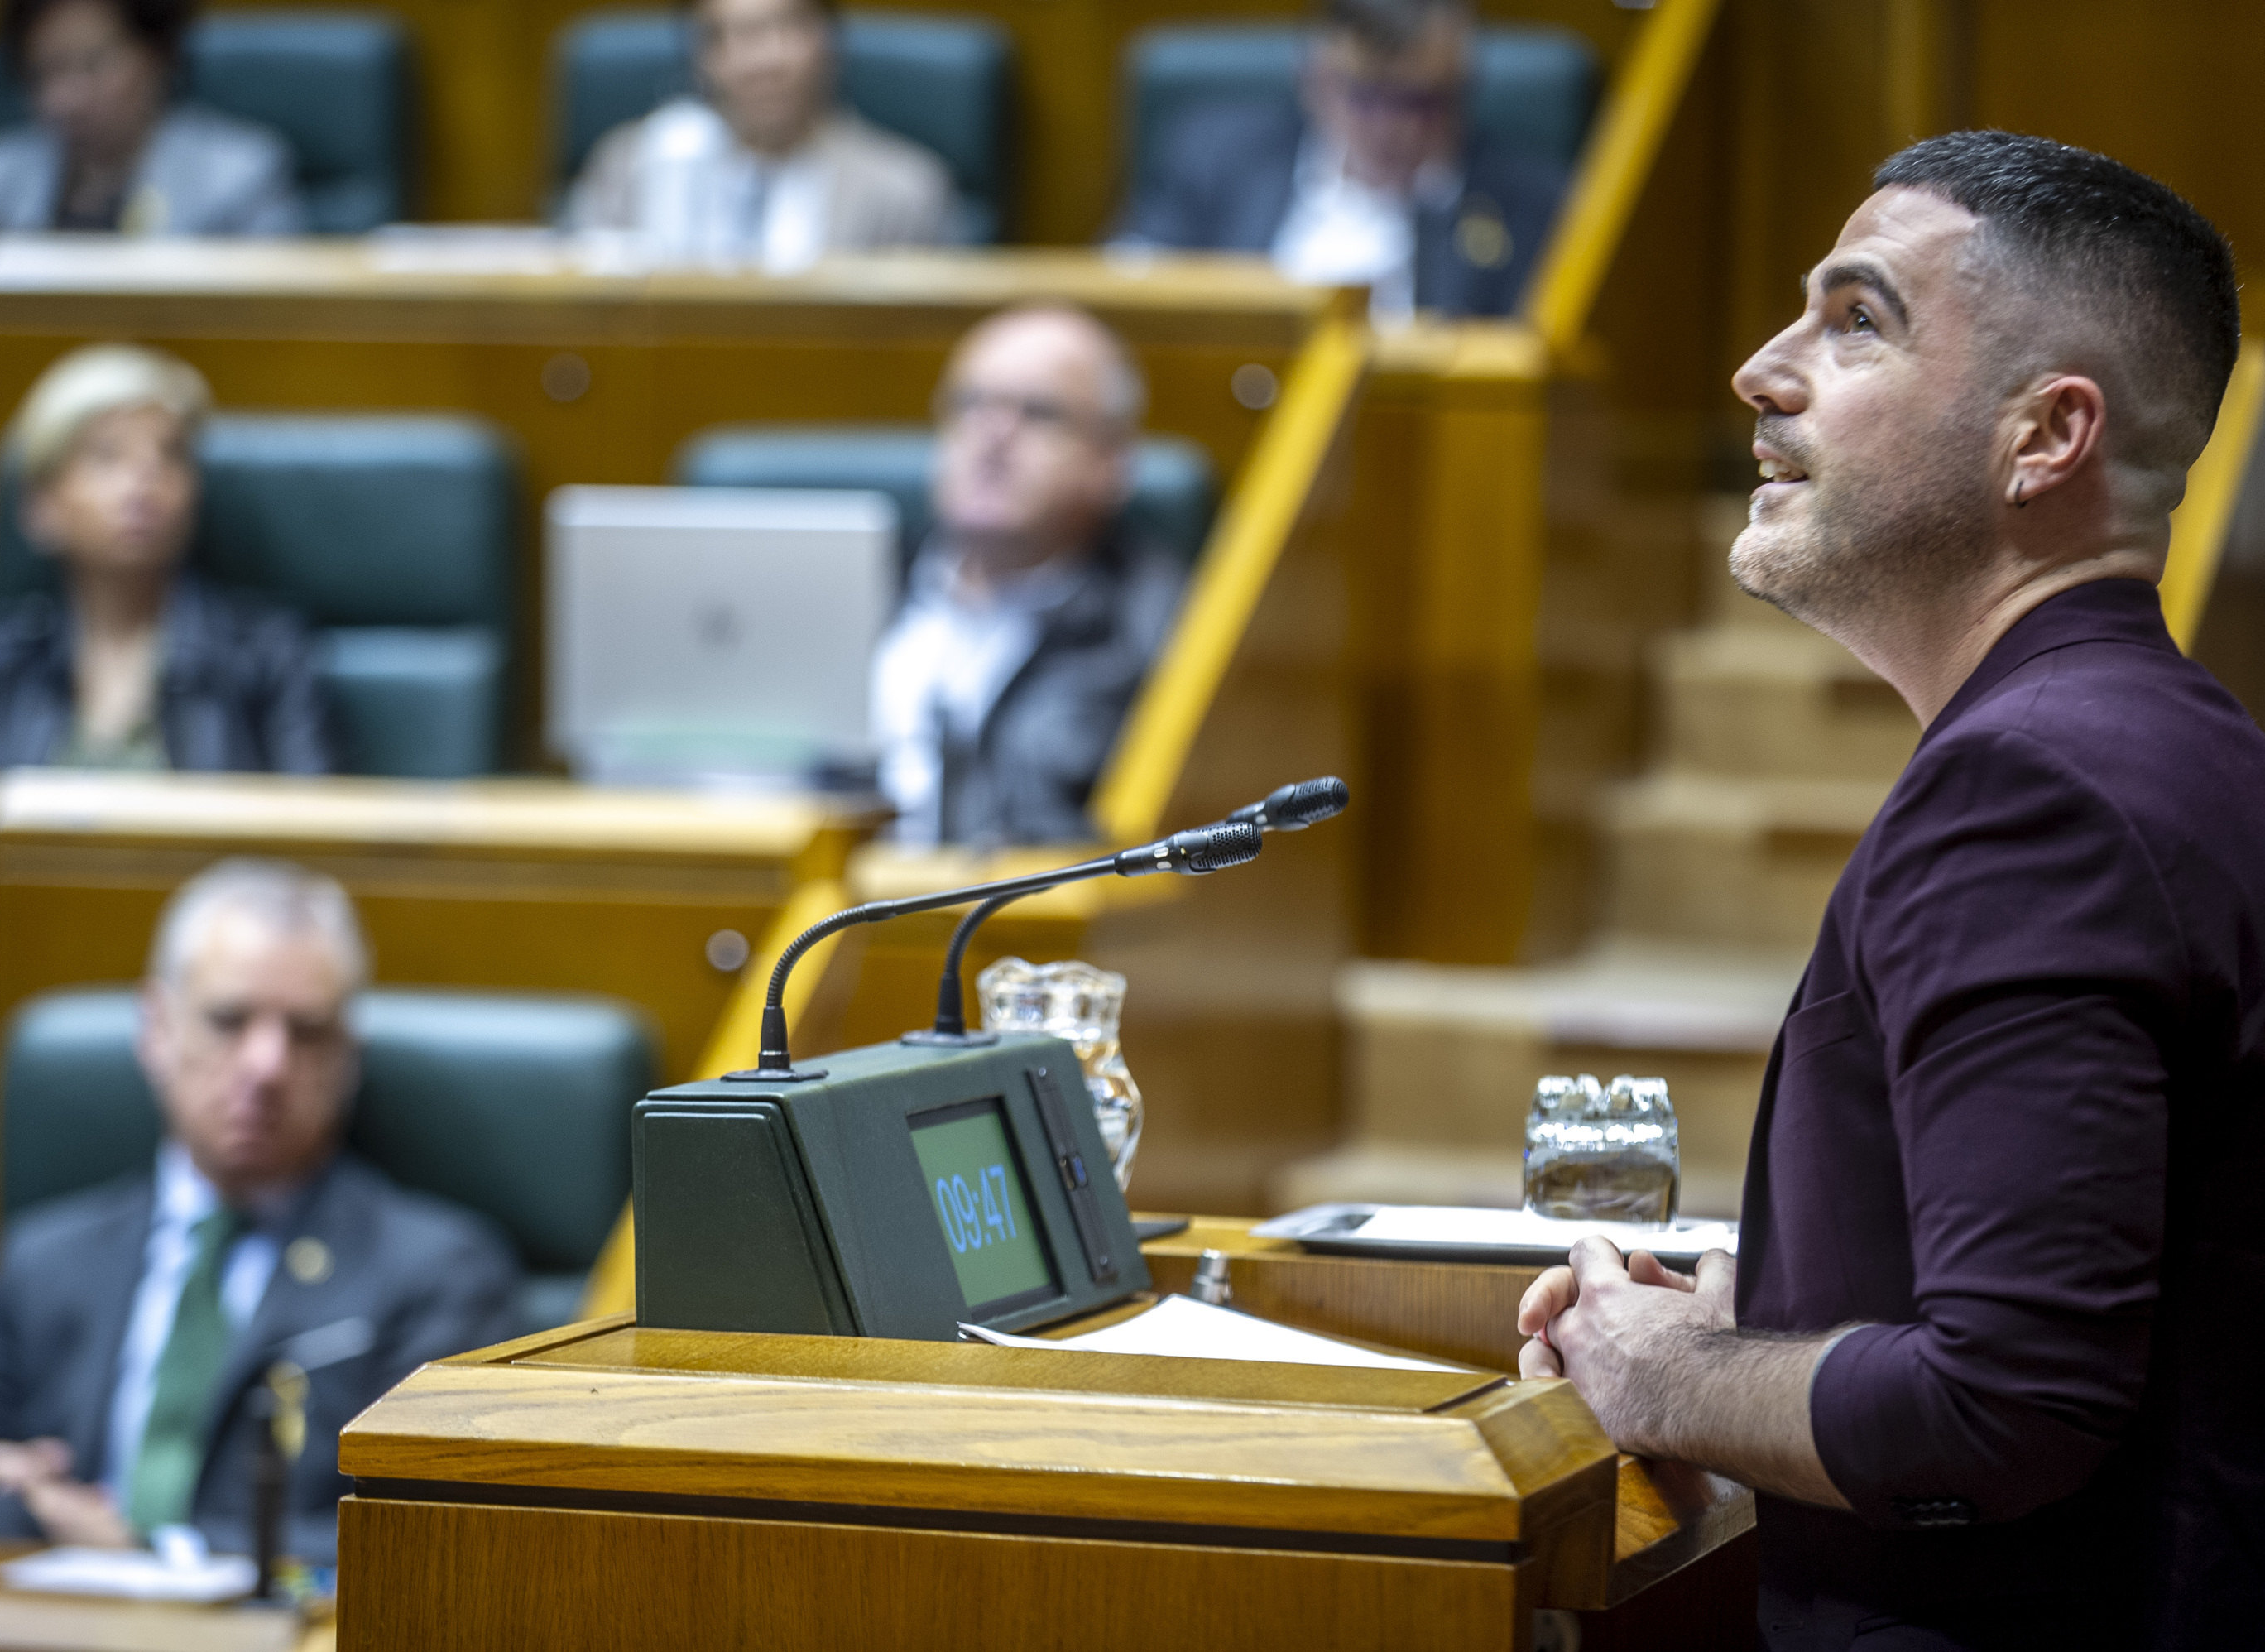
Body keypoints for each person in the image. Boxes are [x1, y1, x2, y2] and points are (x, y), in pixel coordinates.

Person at [1514, 132, 2259, 1645]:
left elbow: (2003, 1405)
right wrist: (1764, 1315)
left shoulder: (2029, 793)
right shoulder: (2185, 747)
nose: (1759, 371)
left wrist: (1657, 1369)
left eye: (1857, 320)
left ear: (2045, 438)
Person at [0, 859, 520, 1564]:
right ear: (157, 1028)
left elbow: (426, 1546)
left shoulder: (439, 1277)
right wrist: (18, 1502)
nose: (266, 1065)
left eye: (306, 1032)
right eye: (229, 1020)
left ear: (347, 1055)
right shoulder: (40, 1264)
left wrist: (154, 1547)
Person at [870, 304, 1183, 845]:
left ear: (1111, 461)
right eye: (971, 404)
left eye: (1037, 412)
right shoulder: (861, 585)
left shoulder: (1162, 636)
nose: (993, 435)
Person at [0, 344, 334, 772]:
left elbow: (317, 828)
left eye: (171, 455)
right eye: (107, 456)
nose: (145, 479)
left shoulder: (266, 656)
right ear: (42, 507)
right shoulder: (7, 661)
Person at [1114, 0, 1563, 322]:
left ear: (1464, 88)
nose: (1397, 128)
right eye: (1369, 97)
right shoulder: (1218, 155)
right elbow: (1129, 291)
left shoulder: (1531, 203)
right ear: (1316, 82)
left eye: (1423, 102)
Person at [563, 0, 954, 269]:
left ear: (829, 40)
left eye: (787, 29)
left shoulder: (904, 191)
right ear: (698, 57)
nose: (763, 61)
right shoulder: (630, 166)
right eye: (731, 36)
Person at [0, 0, 305, 236]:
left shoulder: (240, 179)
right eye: (46, 72)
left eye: (93, 65)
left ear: (157, 55)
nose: (67, 98)